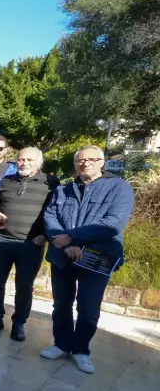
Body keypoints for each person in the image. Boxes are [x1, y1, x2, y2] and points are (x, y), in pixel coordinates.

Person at [40, 146, 133, 374]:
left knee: (89, 307)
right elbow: (50, 217)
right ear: (75, 164)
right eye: (80, 160)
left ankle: (81, 350)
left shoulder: (119, 188)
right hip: (63, 255)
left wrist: (74, 238)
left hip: (97, 257)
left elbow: (113, 223)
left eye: (92, 159)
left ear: (102, 162)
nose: (86, 163)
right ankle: (62, 344)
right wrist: (67, 244)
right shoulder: (63, 190)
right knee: (61, 304)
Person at [0, 147, 59, 341]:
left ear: (39, 162)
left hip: (30, 244)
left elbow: (57, 213)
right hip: (1, 240)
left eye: (29, 160)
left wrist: (45, 236)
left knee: (24, 286)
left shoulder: (51, 183)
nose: (24, 163)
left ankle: (18, 323)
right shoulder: (7, 180)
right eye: (21, 159)